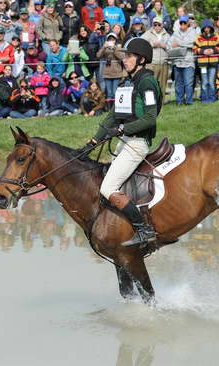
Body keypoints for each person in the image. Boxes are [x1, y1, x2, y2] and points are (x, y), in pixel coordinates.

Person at [86, 38, 161, 247]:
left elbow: (150, 118)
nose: (125, 59)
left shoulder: (147, 82)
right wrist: (94, 140)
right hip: (125, 141)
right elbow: (113, 114)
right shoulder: (129, 82)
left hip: (137, 144)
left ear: (141, 59)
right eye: (125, 55)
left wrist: (122, 129)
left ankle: (144, 229)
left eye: (129, 56)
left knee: (108, 187)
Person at [168, 15, 196, 105]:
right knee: (178, 83)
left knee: (188, 83)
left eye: (184, 23)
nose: (183, 24)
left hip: (188, 62)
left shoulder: (193, 31)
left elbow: (192, 43)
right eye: (181, 23)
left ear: (188, 23)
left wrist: (179, 43)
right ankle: (179, 101)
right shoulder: (176, 32)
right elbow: (170, 43)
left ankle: (189, 102)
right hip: (177, 62)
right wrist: (174, 45)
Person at [193, 19, 219, 103]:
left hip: (213, 63)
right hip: (203, 64)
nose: (207, 29)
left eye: (208, 27)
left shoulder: (216, 36)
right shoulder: (199, 37)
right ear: (203, 28)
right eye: (205, 27)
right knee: (204, 82)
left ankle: (212, 98)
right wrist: (203, 52)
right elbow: (194, 48)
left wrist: (214, 51)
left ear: (211, 28)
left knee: (211, 81)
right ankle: (204, 98)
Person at [141, 16, 170, 98]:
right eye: (155, 24)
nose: (157, 26)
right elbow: (141, 44)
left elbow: (171, 48)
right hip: (152, 64)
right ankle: (150, 102)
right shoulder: (147, 34)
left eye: (159, 24)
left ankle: (160, 103)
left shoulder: (167, 35)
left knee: (162, 85)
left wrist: (165, 46)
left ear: (162, 25)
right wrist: (152, 44)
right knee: (151, 85)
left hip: (164, 63)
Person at [96, 32, 125, 108]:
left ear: (115, 40)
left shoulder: (118, 47)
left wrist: (114, 48)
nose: (111, 41)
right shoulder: (105, 48)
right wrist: (103, 47)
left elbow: (121, 57)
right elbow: (98, 55)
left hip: (116, 72)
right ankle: (110, 108)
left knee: (115, 91)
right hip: (107, 72)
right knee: (109, 92)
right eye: (110, 39)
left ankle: (117, 107)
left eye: (113, 39)